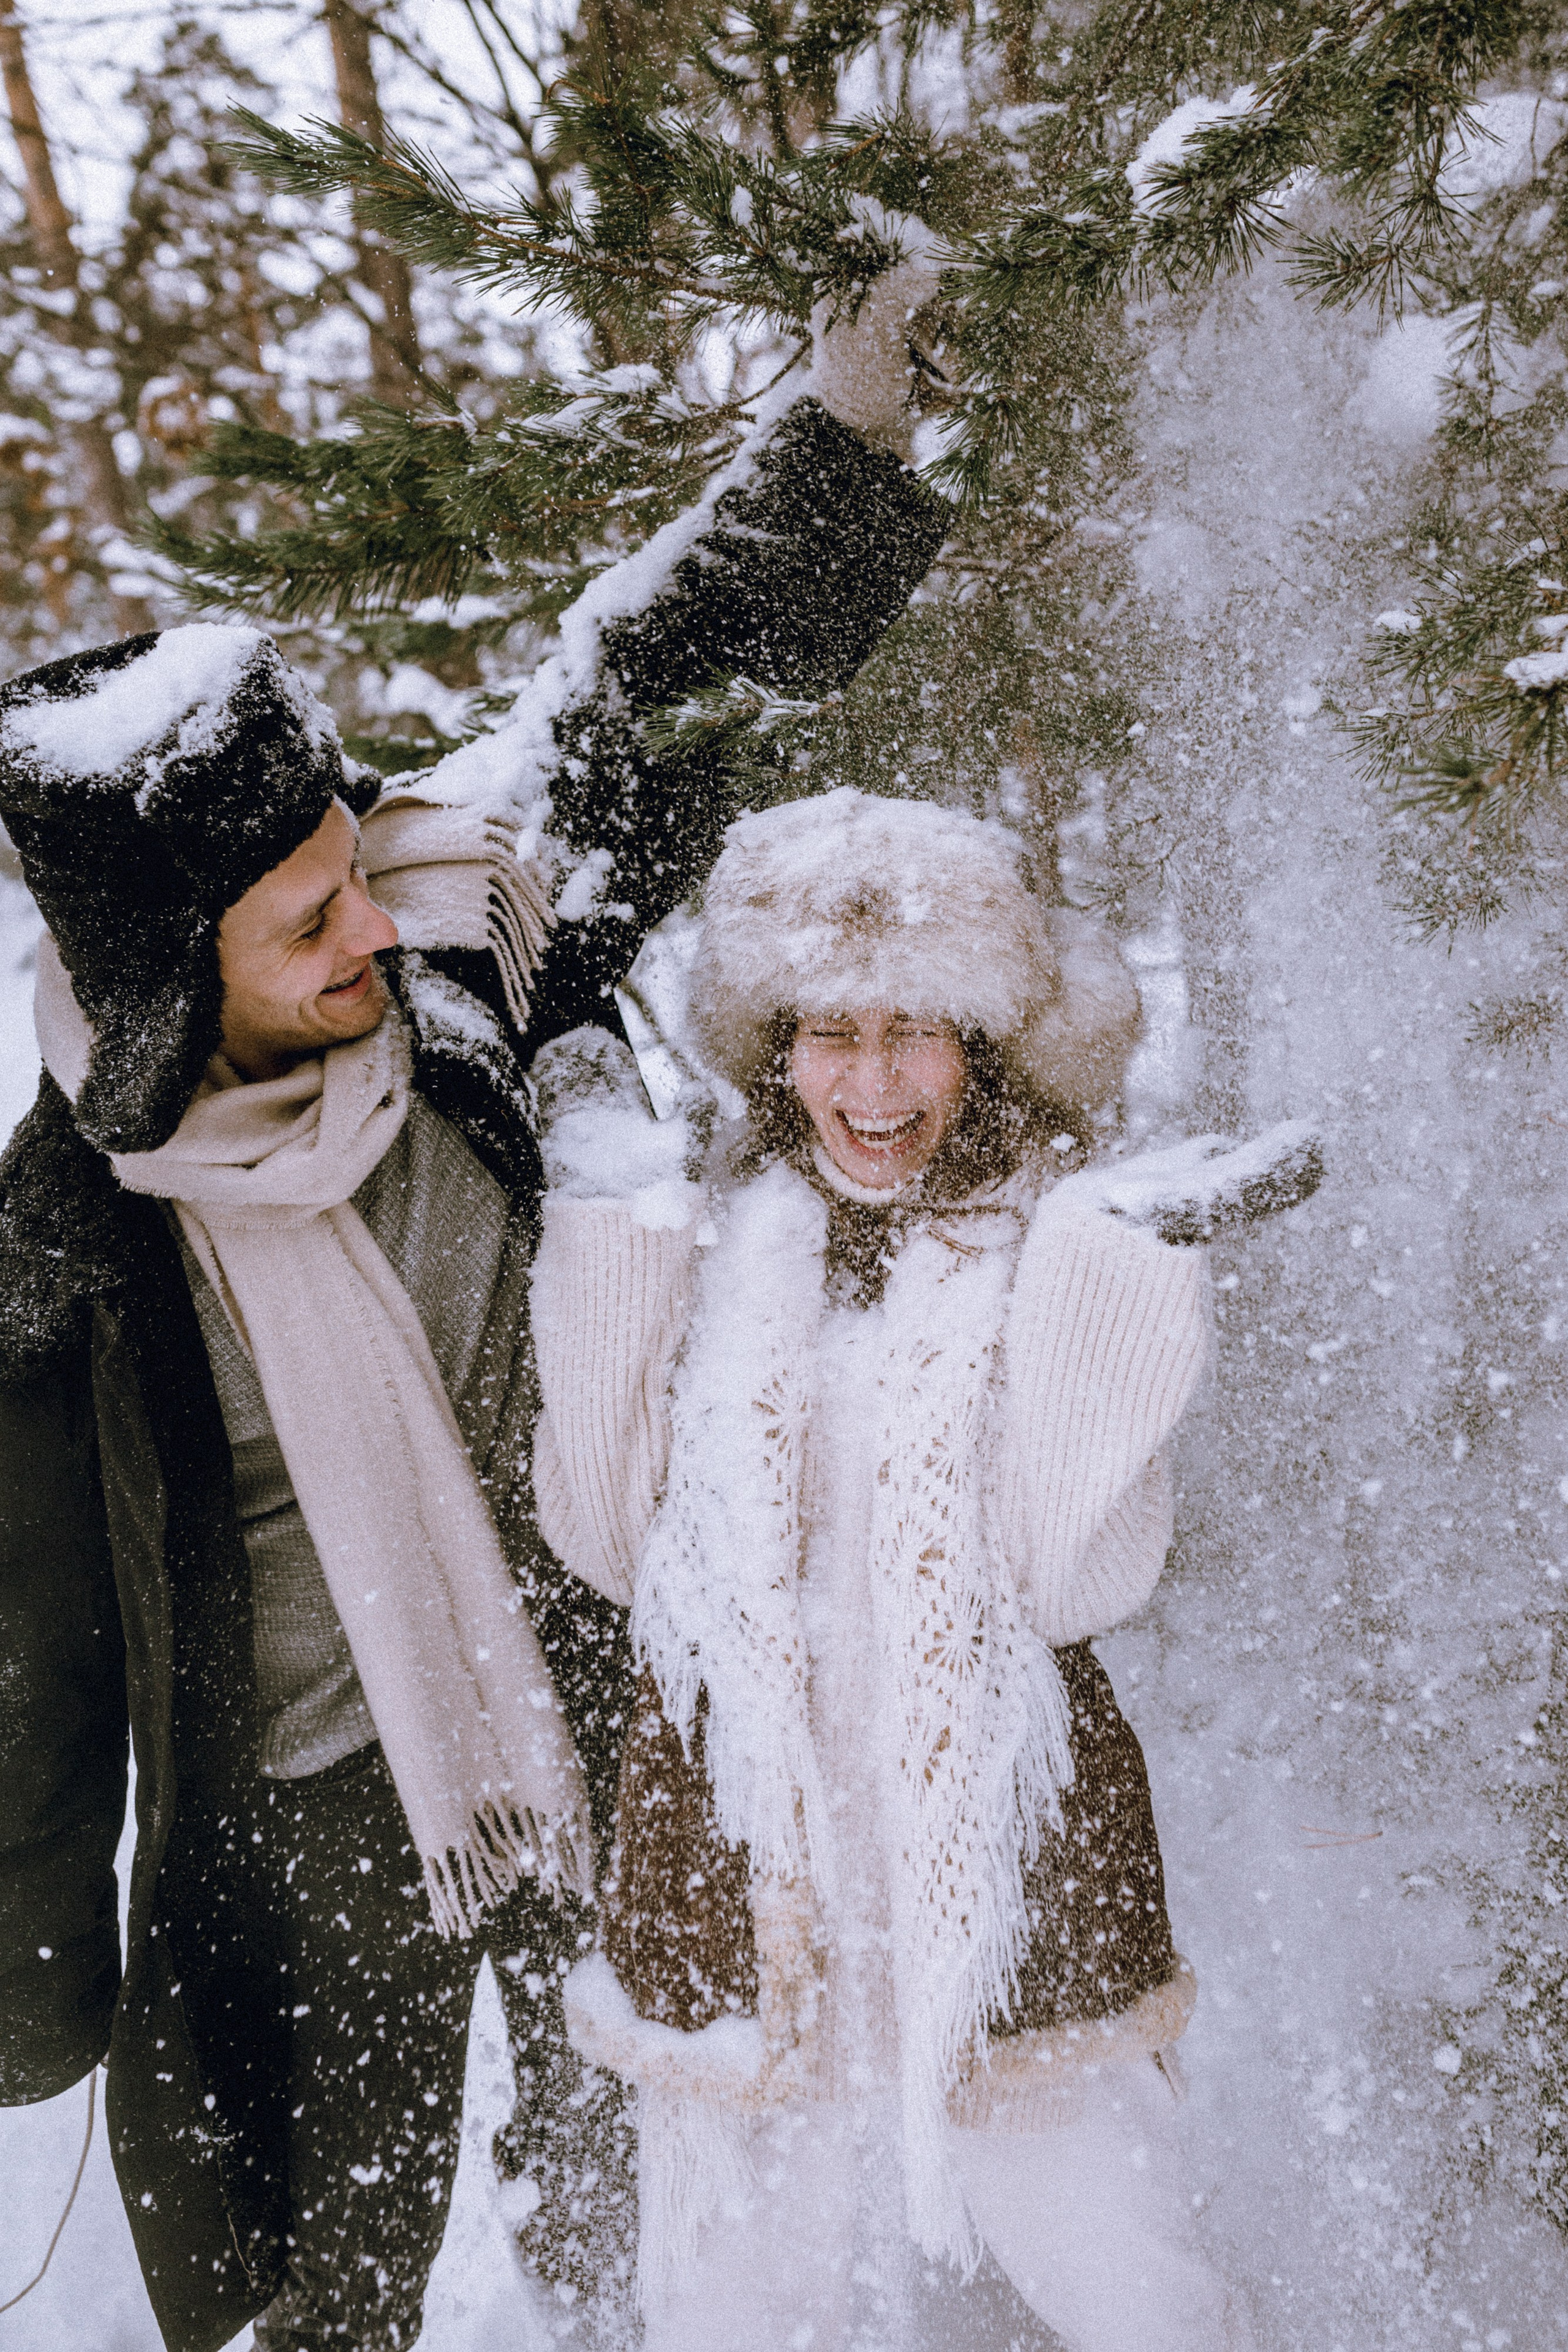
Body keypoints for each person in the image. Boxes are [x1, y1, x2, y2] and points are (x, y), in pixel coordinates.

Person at [0, 255, 951, 2352]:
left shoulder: (449, 972)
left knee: (644, 2181)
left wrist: (848, 439)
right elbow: (31, 1639)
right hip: (323, 1817)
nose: (372, 921)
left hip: (593, 1696)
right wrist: (29, 1977)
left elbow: (646, 687)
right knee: (333, 2290)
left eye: (356, 864)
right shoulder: (71, 1240)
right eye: (307, 918)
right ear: (166, 992)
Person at [527, 786, 1262, 2352]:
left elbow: (1065, 1584)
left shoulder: (1046, 1238)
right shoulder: (712, 1232)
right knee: (729, 2311)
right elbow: (610, 1544)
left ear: (981, 1042)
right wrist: (609, 1235)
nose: (870, 1085)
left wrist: (1114, 1282)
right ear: (772, 1044)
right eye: (829, 1033)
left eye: (915, 1031)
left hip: (1009, 1857)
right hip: (739, 1859)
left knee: (1135, 2287)